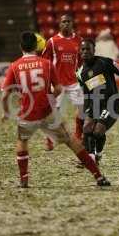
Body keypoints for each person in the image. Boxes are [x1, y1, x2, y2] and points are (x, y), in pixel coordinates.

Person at [0, 31, 110, 188]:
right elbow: (58, 89)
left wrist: (5, 113)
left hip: (27, 113)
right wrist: (48, 98)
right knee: (72, 142)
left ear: (21, 47)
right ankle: (98, 176)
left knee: (22, 141)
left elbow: (4, 96)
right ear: (36, 47)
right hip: (47, 112)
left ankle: (24, 180)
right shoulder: (46, 64)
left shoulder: (15, 66)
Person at [77, 39, 119, 163]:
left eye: (88, 49)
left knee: (98, 131)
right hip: (95, 104)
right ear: (79, 51)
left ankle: (98, 154)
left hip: (112, 103)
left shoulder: (105, 62)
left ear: (94, 50)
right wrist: (85, 112)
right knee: (87, 129)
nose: (85, 52)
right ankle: (90, 158)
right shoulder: (80, 73)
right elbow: (86, 93)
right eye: (82, 49)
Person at [42, 14, 84, 150]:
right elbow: (45, 62)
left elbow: (82, 61)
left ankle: (78, 136)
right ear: (60, 24)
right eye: (63, 21)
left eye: (68, 21)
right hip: (57, 84)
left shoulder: (79, 40)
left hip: (74, 82)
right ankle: (49, 138)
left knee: (83, 109)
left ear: (72, 23)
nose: (66, 24)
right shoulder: (52, 42)